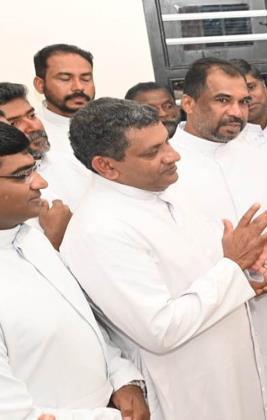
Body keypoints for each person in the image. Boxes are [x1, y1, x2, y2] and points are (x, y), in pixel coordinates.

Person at [60, 98, 267, 420]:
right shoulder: (99, 229)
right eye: (153, 152)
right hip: (187, 389)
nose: (173, 155)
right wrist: (233, 265)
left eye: (166, 141)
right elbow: (161, 330)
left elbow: (205, 267)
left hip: (229, 369)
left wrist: (248, 264)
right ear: (106, 166)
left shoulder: (167, 190)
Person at [166, 57, 267, 420]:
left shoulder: (260, 159)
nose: (237, 112)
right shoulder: (166, 166)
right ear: (188, 103)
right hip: (210, 317)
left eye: (243, 101)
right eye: (223, 100)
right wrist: (236, 273)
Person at [0, 123, 148, 420]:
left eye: (34, 168)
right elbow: (14, 414)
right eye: (21, 175)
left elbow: (82, 321)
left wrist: (123, 379)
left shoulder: (31, 238)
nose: (41, 182)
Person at [0, 82, 73, 249]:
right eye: (14, 123)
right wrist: (55, 239)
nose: (33, 126)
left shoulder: (74, 163)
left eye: (32, 115)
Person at [31, 44, 96, 206]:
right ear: (40, 84)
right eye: (65, 79)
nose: (78, 87)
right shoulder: (29, 133)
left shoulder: (118, 124)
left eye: (86, 78)